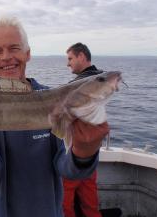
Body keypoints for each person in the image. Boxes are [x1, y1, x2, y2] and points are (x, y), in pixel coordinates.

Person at [0, 17, 110, 217]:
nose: (6, 57)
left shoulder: (55, 102)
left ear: (28, 54)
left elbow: (70, 170)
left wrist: (84, 151)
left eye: (14, 48)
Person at [63, 42, 103, 217]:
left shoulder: (83, 84)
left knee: (65, 203)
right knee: (89, 201)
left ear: (81, 56)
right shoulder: (100, 80)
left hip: (75, 148)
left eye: (70, 58)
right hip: (91, 150)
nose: (68, 63)